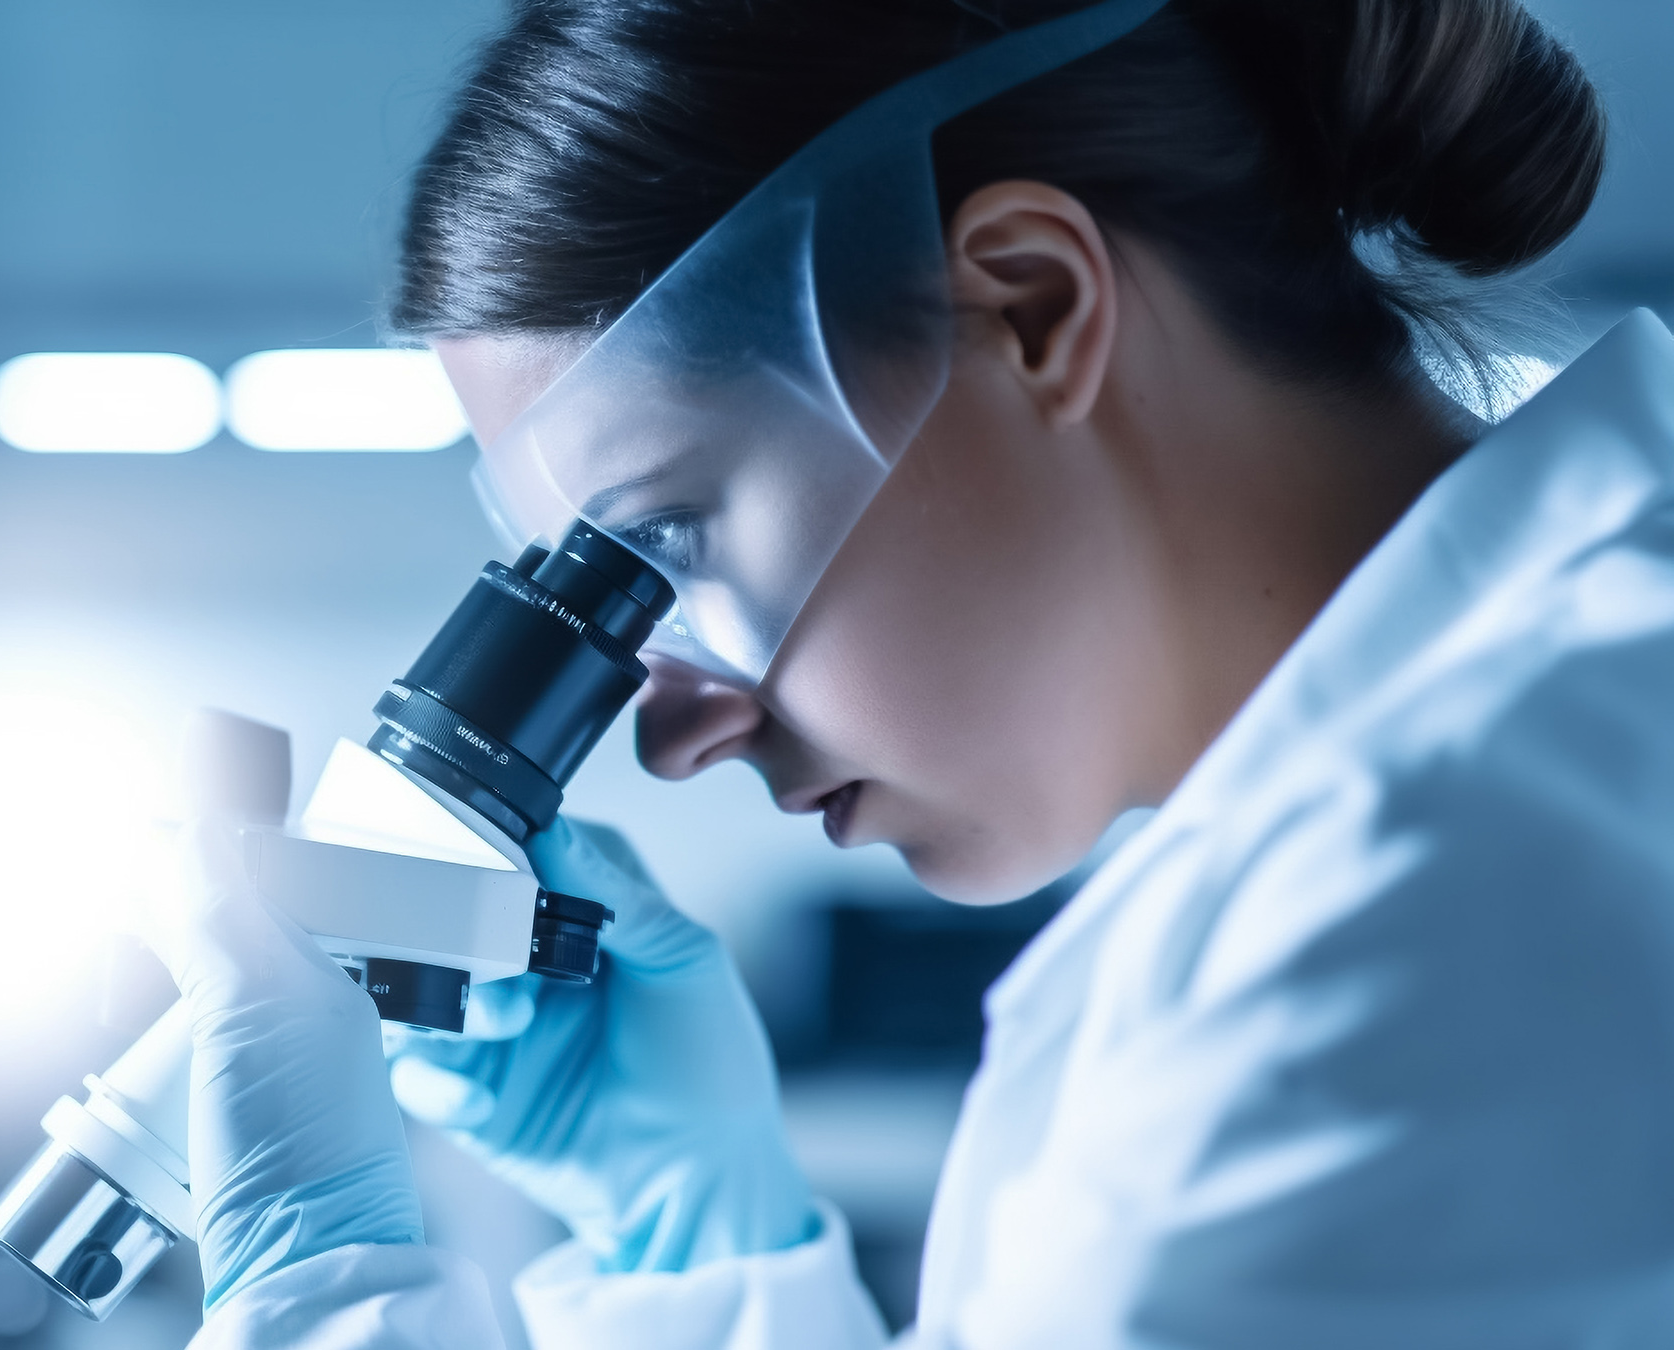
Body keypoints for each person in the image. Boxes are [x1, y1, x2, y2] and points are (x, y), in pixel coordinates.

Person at [137, 1, 1674, 1345]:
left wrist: (322, 1289)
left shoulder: (1423, 918)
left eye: (668, 541)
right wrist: (701, 1252)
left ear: (1032, 305)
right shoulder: (1519, 764)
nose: (673, 730)